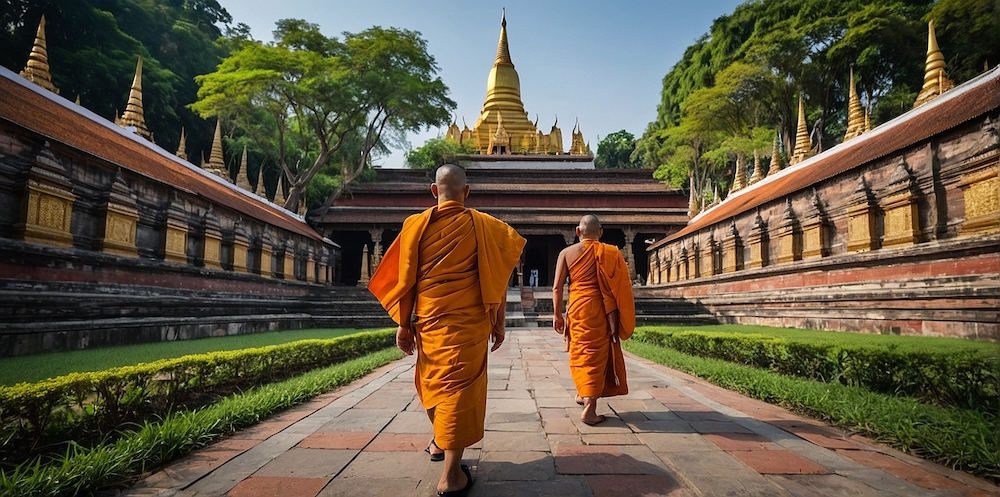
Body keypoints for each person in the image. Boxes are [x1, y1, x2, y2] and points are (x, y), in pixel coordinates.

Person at [368, 164, 525, 497]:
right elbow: (497, 278)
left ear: (433, 191)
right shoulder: (486, 226)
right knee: (460, 388)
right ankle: (452, 476)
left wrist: (403, 324)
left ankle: (440, 442)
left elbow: (405, 282)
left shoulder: (414, 226)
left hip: (429, 320)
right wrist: (499, 322)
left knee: (433, 381)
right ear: (467, 192)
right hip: (469, 323)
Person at [552, 214, 635, 425]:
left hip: (578, 307)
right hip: (601, 309)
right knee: (596, 354)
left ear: (577, 232)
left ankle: (587, 399)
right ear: (600, 232)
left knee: (580, 352)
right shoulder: (610, 253)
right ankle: (588, 404)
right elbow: (621, 287)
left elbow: (557, 287)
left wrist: (557, 315)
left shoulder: (566, 252)